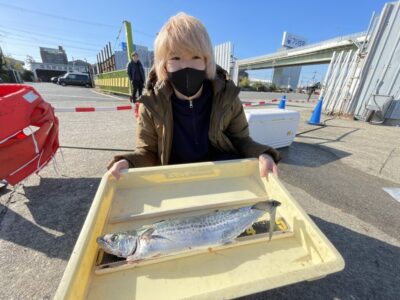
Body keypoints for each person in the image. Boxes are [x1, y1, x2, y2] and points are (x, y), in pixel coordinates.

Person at [108, 12, 281, 180]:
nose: (186, 66)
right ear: (164, 65)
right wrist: (127, 162)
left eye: (195, 56)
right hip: (176, 178)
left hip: (221, 175)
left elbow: (242, 140)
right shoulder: (152, 104)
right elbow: (147, 152)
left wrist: (262, 153)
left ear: (207, 61)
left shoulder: (227, 97)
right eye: (175, 57)